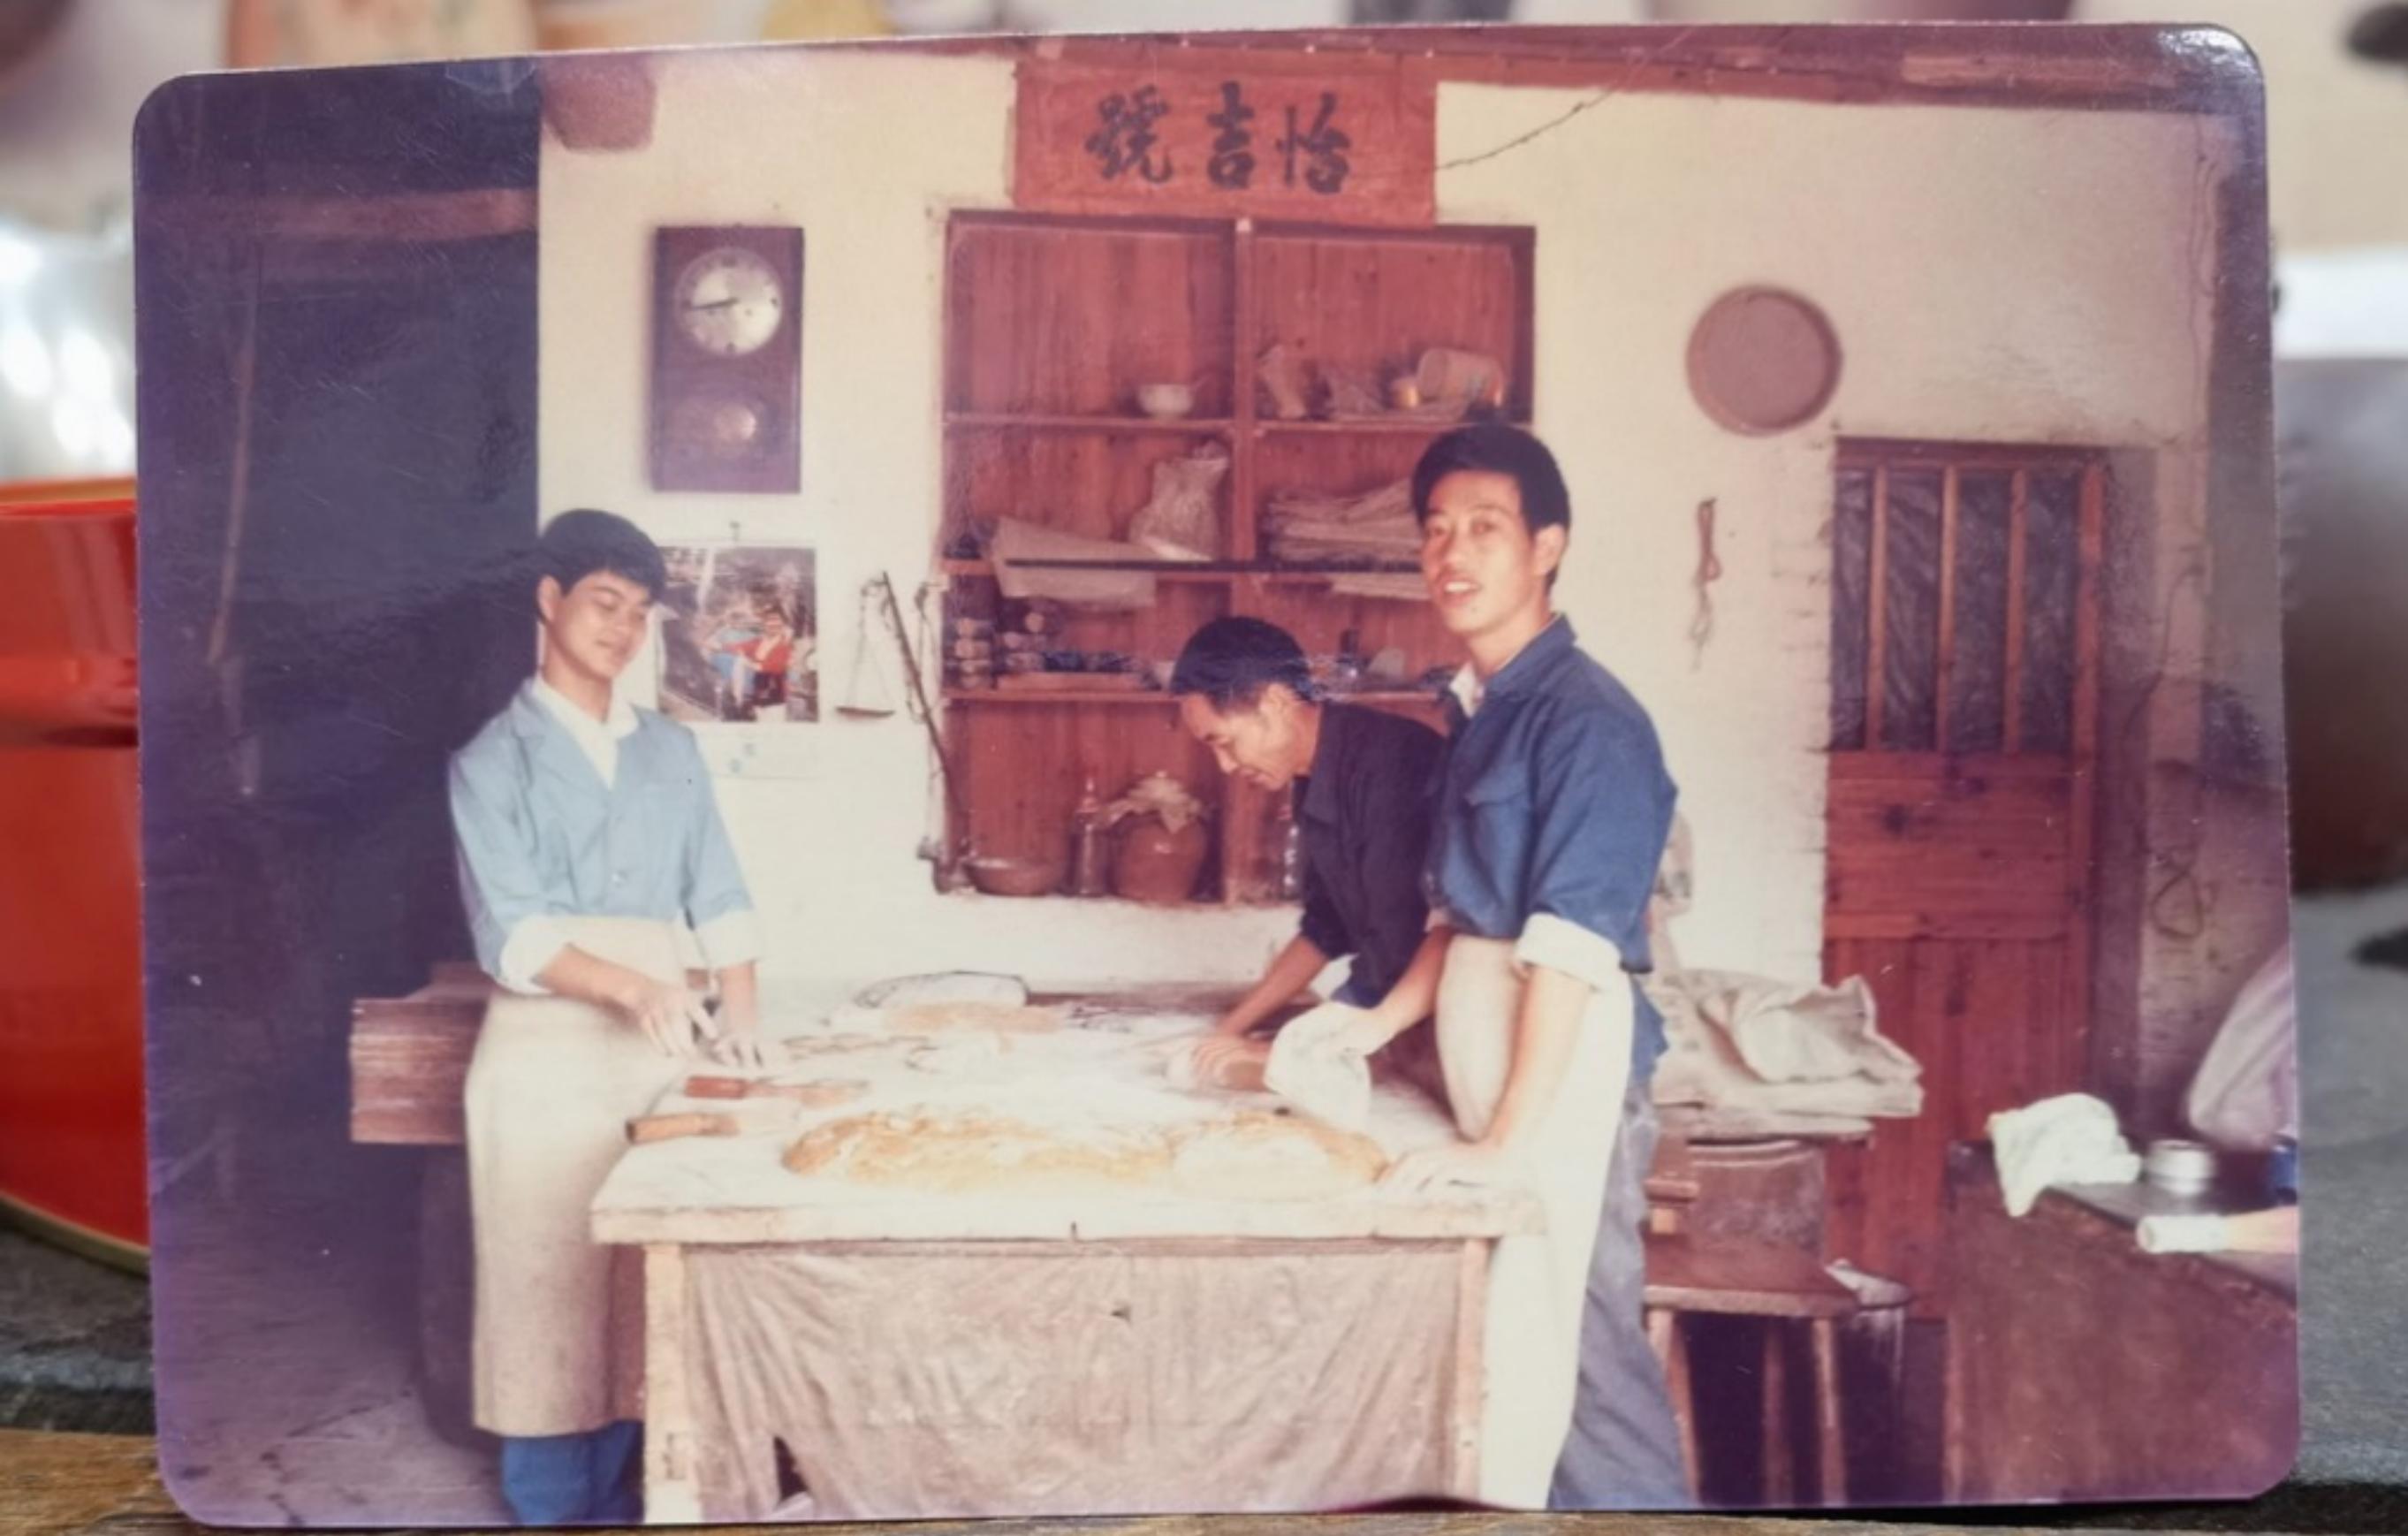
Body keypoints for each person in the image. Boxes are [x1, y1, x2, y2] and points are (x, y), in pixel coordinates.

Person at [1295, 424, 1688, 1510]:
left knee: (1583, 1355)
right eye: (1435, 531)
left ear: (1546, 547)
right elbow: (1458, 918)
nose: (1451, 554)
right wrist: (1370, 1027)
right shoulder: (1482, 708)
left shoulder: (1588, 720)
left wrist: (1507, 1140)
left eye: (1484, 528)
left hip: (1561, 1083)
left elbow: (1567, 948)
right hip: (1499, 1071)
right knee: (1518, 1346)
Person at [448, 509, 768, 1524]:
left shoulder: (671, 748)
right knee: (545, 1280)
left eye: (638, 611)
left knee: (643, 1283)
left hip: (656, 1052)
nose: (622, 629)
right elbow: (515, 934)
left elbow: (718, 889)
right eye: (603, 602)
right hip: (542, 1053)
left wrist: (743, 1015)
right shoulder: (490, 761)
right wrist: (636, 987)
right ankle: (550, 1506)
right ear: (550, 601)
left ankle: (633, 1491)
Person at [1166, 617, 1446, 1091]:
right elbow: (1325, 927)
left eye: (1225, 742)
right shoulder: (1311, 775)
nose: (1225, 765)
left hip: (1439, 1020)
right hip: (1388, 1024)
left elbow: (1395, 943)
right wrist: (1228, 1030)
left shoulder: (1392, 764)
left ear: (1276, 703)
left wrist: (1300, 1046)